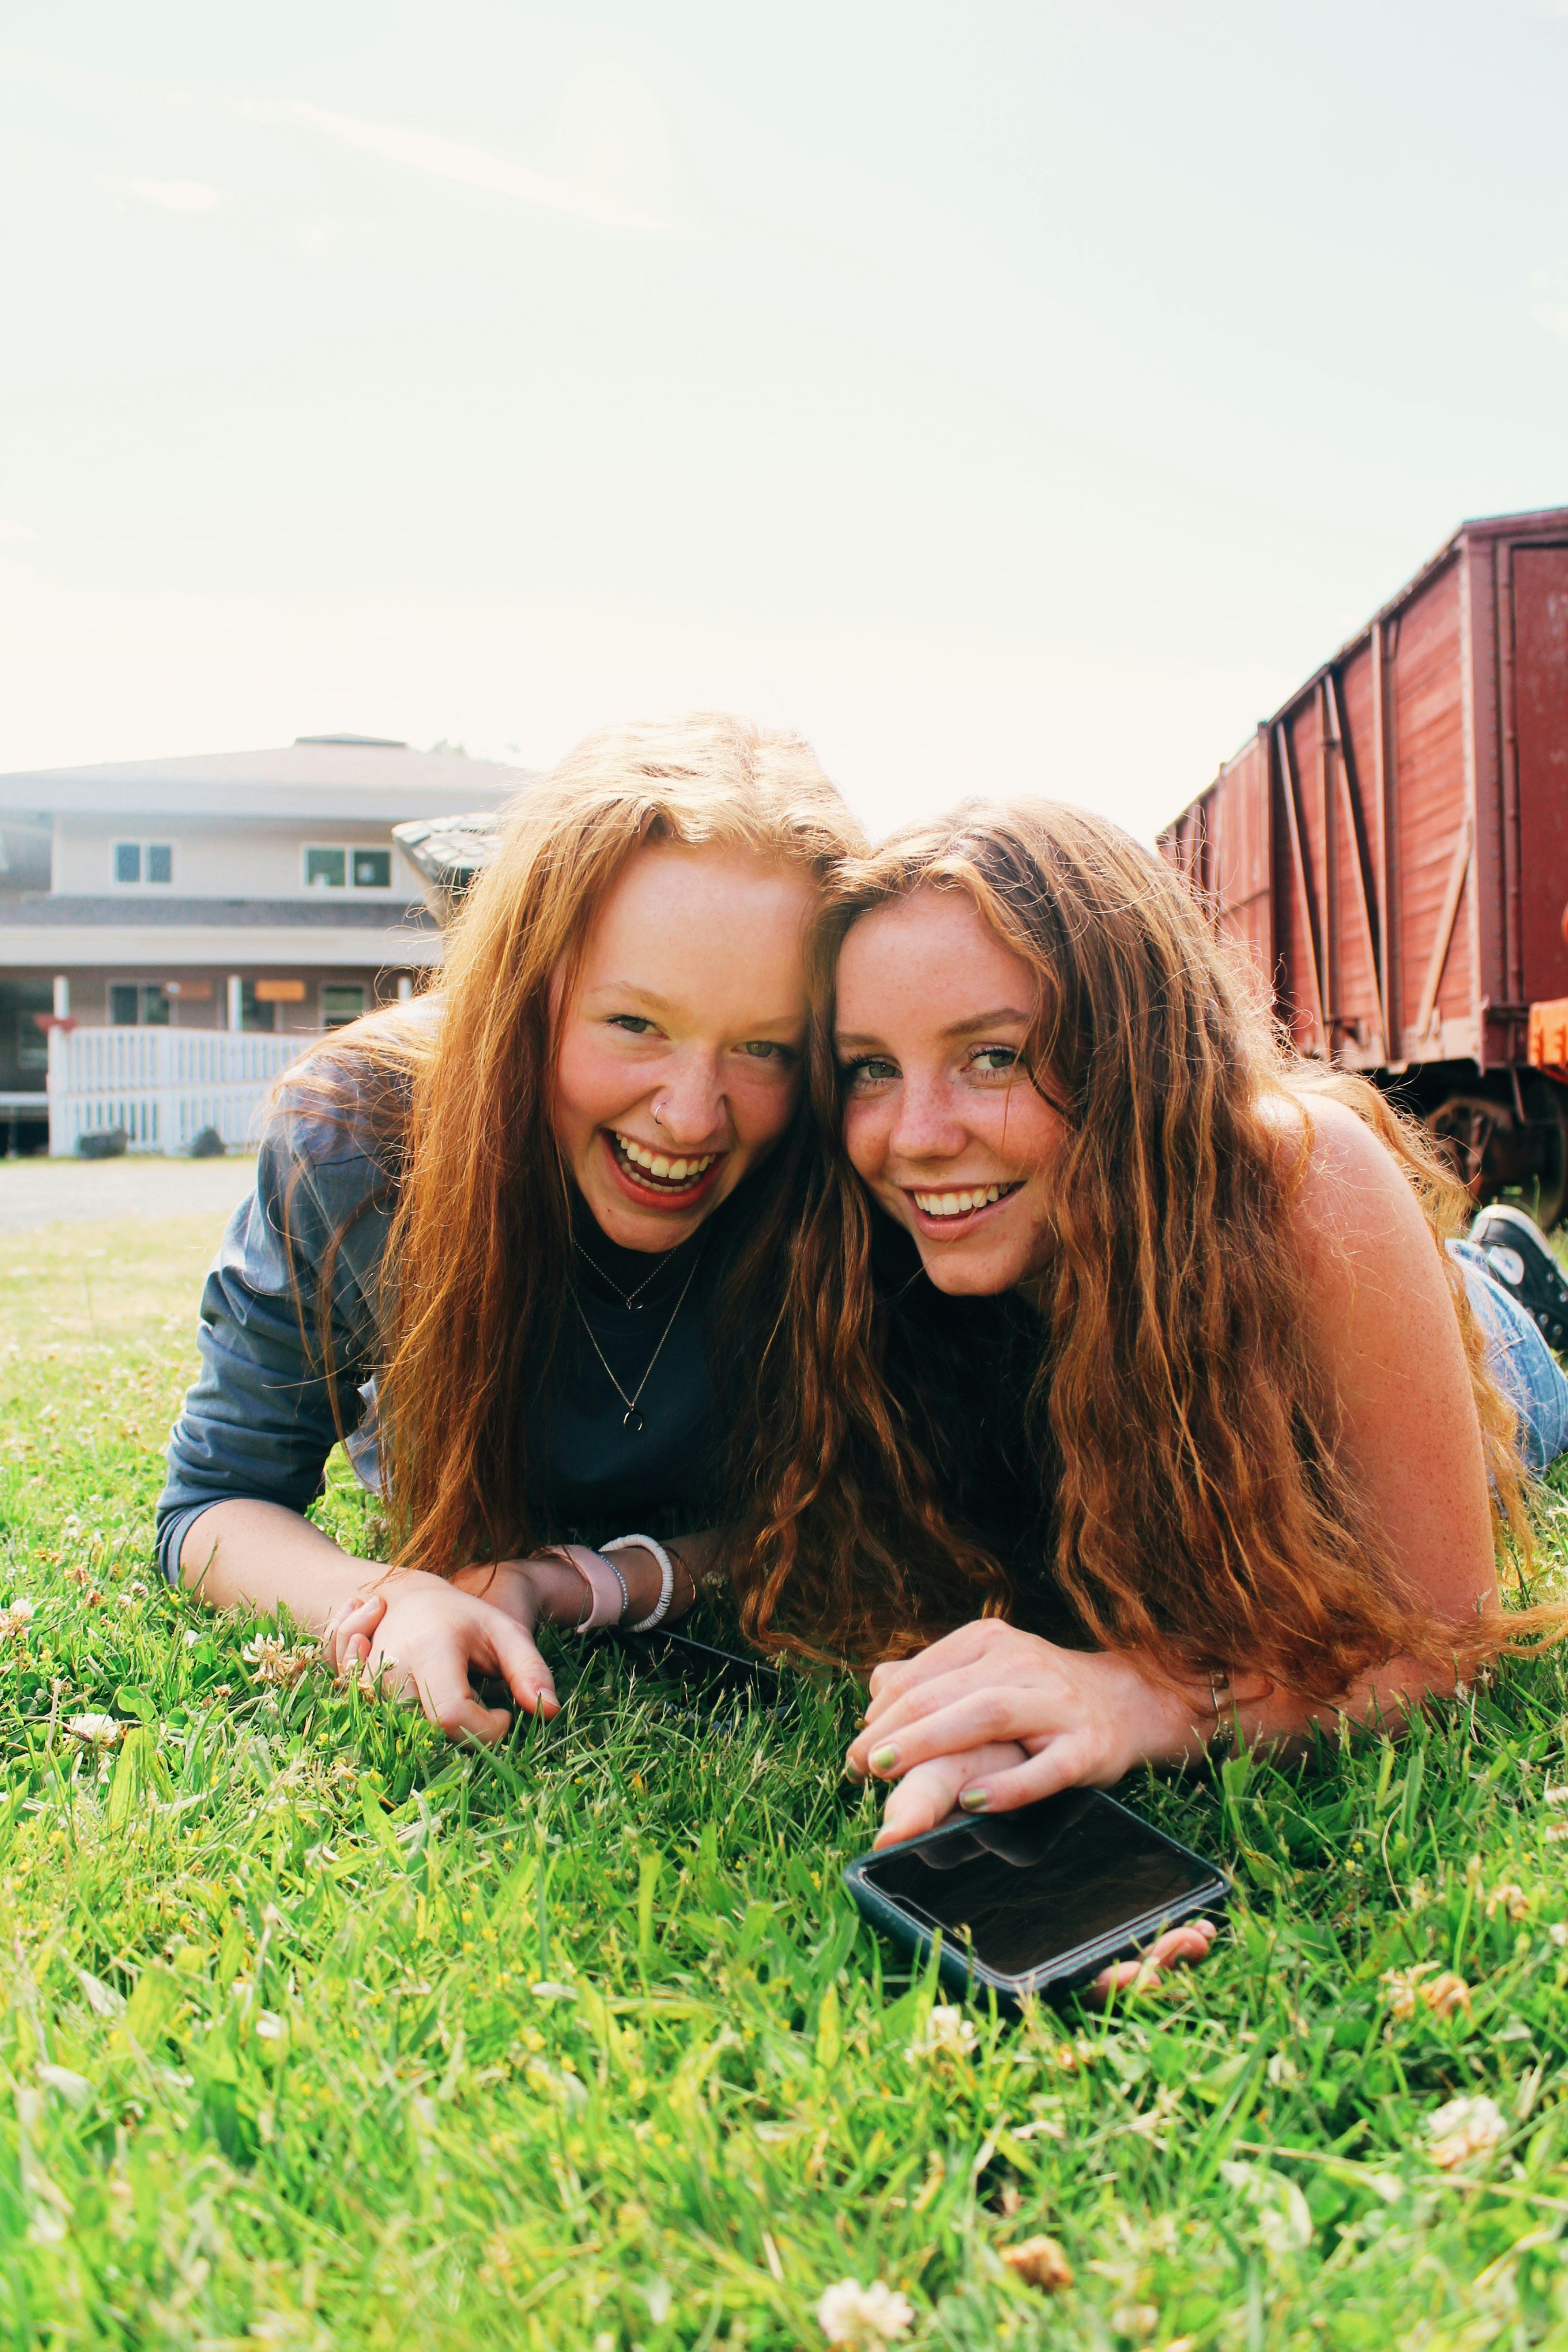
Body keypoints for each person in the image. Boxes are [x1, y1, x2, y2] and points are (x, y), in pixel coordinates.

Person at [732, 800, 1568, 1855]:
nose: (917, 1136)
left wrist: (1152, 1700)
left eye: (993, 1056)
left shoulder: (1306, 1181)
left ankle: (1506, 1269)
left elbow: (1447, 1647)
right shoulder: (862, 1244)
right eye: (872, 1068)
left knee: (1512, 1364)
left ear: (1128, 1050)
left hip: (1475, 1343)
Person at [157, 713, 862, 1743]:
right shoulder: (357, 1139)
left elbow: (861, 1515)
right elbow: (213, 1505)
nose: (692, 1116)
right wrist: (384, 1596)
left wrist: (587, 1582)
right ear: (522, 993)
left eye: (766, 1047)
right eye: (635, 1023)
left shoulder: (846, 1159)